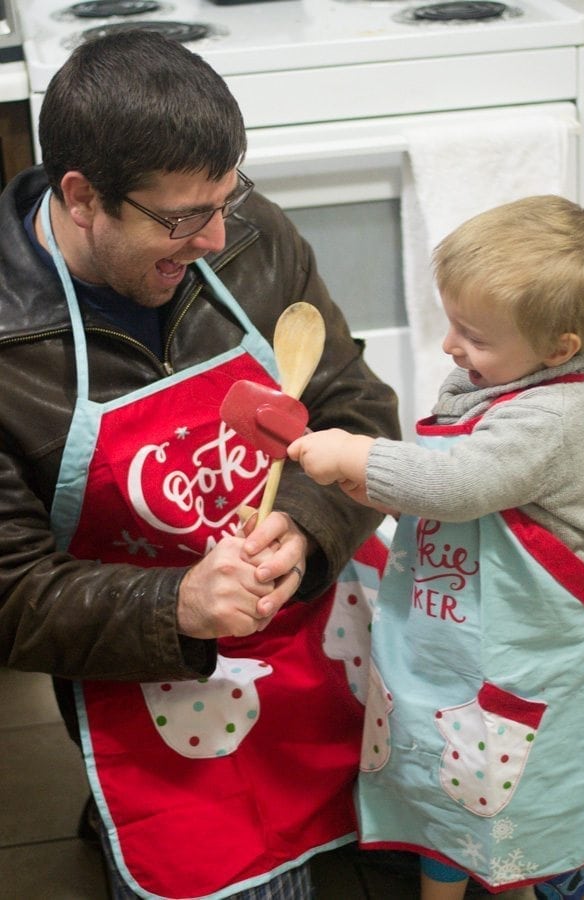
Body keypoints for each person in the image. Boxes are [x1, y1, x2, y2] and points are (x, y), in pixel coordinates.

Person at [0, 29, 403, 900]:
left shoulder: (253, 240)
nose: (218, 238)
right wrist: (176, 603)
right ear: (82, 197)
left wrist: (307, 525)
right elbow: (9, 592)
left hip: (322, 620)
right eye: (183, 220)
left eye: (228, 198)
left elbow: (358, 409)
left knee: (448, 821)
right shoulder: (9, 346)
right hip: (154, 676)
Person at [288, 195, 584, 899]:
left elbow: (463, 482)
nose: (452, 347)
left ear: (559, 349)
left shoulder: (555, 416)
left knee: (506, 805)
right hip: (457, 632)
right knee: (444, 785)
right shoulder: (493, 381)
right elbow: (450, 496)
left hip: (526, 648)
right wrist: (382, 490)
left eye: (475, 336)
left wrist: (362, 456)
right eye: (453, 324)